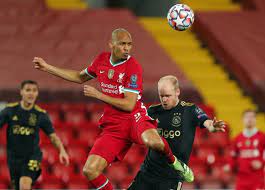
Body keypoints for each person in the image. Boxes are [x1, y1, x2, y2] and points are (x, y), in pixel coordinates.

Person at [33, 28, 194, 190]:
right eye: (122, 44)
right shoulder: (101, 60)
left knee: (153, 142)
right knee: (90, 170)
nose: (126, 48)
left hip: (134, 118)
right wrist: (47, 67)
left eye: (129, 45)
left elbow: (129, 105)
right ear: (111, 44)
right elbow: (78, 77)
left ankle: (176, 163)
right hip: (114, 125)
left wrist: (99, 95)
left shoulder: (133, 67)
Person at [128, 75, 226, 190]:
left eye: (168, 96)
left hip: (172, 177)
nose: (164, 100)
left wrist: (212, 126)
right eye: (161, 96)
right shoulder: (152, 111)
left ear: (177, 92)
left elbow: (207, 122)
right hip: (147, 173)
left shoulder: (190, 110)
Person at [0, 80, 69, 190]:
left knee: (24, 185)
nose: (31, 93)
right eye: (28, 90)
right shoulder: (9, 110)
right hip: (13, 158)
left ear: (37, 93)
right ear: (21, 92)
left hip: (32, 156)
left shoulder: (41, 114)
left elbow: (53, 136)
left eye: (34, 90)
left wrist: (62, 151)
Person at [223, 109, 265, 190]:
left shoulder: (262, 137)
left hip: (257, 179)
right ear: (243, 120)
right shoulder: (237, 139)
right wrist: (230, 166)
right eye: (247, 117)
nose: (249, 119)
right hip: (241, 180)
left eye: (252, 117)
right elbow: (233, 156)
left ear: (256, 119)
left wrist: (262, 163)